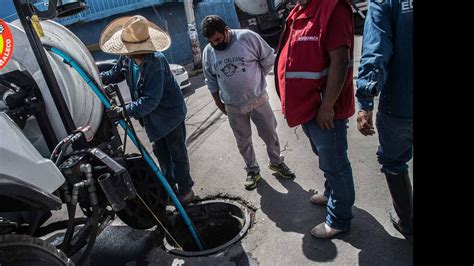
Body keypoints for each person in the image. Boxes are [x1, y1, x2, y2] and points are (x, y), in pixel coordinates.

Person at [275, 0, 355, 238]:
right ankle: (332, 193)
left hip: (324, 110)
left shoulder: (332, 7)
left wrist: (328, 106)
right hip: (308, 109)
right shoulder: (299, 10)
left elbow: (340, 60)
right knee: (325, 158)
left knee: (335, 164)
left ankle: (339, 219)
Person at [99, 15, 195, 205]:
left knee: (177, 156)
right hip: (152, 119)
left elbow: (150, 101)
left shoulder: (155, 63)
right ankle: (169, 192)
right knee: (162, 157)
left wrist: (123, 110)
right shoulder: (126, 59)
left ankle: (186, 191)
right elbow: (114, 74)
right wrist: (97, 78)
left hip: (170, 116)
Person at [201, 15, 295, 190]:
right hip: (233, 106)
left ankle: (276, 162)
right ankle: (252, 170)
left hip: (258, 99)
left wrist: (256, 80)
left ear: (226, 30)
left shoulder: (247, 37)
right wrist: (219, 104)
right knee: (243, 141)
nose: (215, 44)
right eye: (211, 41)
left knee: (269, 134)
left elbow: (268, 59)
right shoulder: (208, 52)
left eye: (218, 39)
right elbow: (210, 80)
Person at [356, 0, 413, 237]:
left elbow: (376, 49)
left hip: (400, 105)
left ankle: (408, 222)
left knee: (393, 161)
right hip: (400, 104)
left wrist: (365, 101)